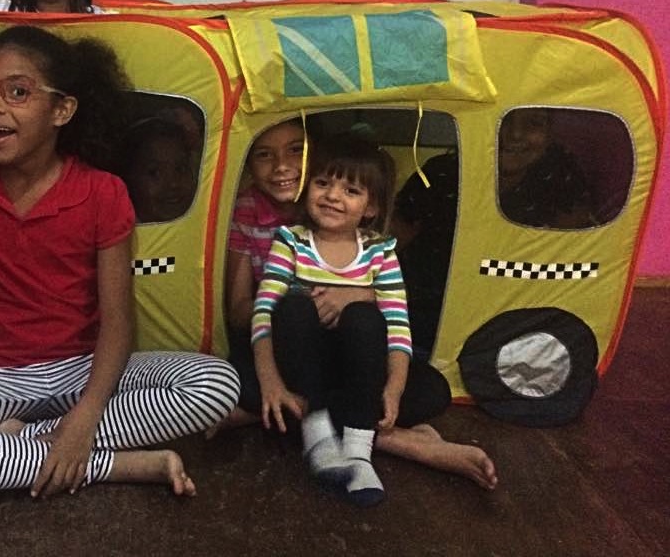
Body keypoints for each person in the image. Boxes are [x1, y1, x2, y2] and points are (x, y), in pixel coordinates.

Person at [0, 26, 239, 513]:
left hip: (82, 371)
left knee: (216, 384)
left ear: (62, 110)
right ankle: (111, 465)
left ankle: (5, 453)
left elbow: (118, 324)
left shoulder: (101, 192)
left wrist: (86, 416)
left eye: (17, 92)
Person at [212, 119, 497, 497]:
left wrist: (356, 297)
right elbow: (253, 312)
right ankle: (399, 441)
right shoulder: (286, 237)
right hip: (293, 356)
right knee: (241, 379)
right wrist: (294, 316)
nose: (281, 166)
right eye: (264, 154)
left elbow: (396, 323)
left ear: (369, 205)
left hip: (352, 361)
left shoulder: (377, 249)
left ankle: (317, 427)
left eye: (295, 150)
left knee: (430, 389)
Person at [392, 107, 594, 356]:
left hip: (516, 310)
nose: (516, 134)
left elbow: (574, 254)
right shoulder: (441, 172)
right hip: (433, 307)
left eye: (533, 124)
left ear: (551, 134)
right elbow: (393, 241)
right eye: (503, 121)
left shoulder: (559, 177)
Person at [118, 117, 197, 223]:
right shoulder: (119, 231)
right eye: (155, 173)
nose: (173, 184)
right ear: (129, 180)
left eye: (180, 169)